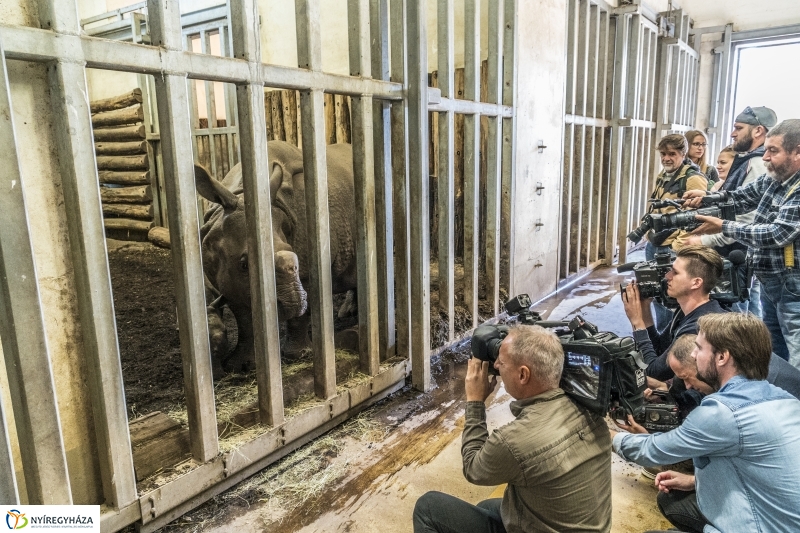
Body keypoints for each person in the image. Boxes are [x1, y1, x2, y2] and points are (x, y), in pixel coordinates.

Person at [611, 313, 800, 533]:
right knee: (673, 501)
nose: (693, 353)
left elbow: (652, 451)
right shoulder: (782, 397)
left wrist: (608, 436)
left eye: (699, 348)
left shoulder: (724, 413)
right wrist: (695, 481)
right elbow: (765, 475)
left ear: (722, 357)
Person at [413, 325, 612, 533]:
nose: (496, 365)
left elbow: (473, 468)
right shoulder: (589, 408)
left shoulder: (514, 440)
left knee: (428, 508)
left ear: (523, 375)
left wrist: (475, 401)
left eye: (502, 361)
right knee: (489, 507)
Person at [687, 119, 800, 367]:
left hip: (793, 288)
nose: (765, 157)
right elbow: (742, 197)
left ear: (797, 152)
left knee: (796, 354)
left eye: (773, 151)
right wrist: (707, 198)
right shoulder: (777, 178)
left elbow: (778, 233)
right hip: (772, 282)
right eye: (766, 149)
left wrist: (723, 225)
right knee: (775, 350)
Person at [685, 106, 777, 317]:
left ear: (758, 131)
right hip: (743, 255)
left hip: (738, 255)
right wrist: (708, 196)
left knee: (734, 319)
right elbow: (738, 197)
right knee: (751, 314)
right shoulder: (748, 160)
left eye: (739, 128)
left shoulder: (756, 164)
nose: (733, 133)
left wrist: (703, 241)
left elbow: (746, 220)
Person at [622, 245, 725, 381]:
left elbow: (654, 372)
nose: (667, 276)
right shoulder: (687, 311)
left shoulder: (696, 328)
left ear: (696, 283)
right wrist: (645, 308)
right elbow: (659, 348)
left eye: (675, 273)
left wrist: (637, 323)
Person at [640, 134, 709, 261]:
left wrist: (676, 246)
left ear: (683, 154)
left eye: (672, 154)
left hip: (671, 247)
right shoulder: (663, 174)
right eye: (663, 154)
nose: (666, 158)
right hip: (654, 242)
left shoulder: (693, 178)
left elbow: (697, 218)